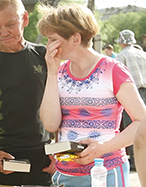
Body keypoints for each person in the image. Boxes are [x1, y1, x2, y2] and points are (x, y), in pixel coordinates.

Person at [37, 4, 146, 187]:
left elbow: (142, 122)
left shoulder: (113, 70)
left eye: (52, 39)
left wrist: (102, 148)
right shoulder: (58, 72)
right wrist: (52, 73)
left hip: (107, 173)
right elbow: (50, 124)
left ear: (74, 39)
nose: (48, 46)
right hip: (65, 174)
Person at [0, 0, 55, 186]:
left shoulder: (44, 56)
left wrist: (58, 150)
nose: (3, 32)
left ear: (25, 19)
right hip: (0, 162)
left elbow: (61, 107)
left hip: (41, 161)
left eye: (10, 24)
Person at [115, 29, 146, 171]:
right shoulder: (143, 54)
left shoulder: (121, 56)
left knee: (132, 127)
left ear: (121, 42)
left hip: (131, 94)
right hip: (145, 91)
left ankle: (135, 161)